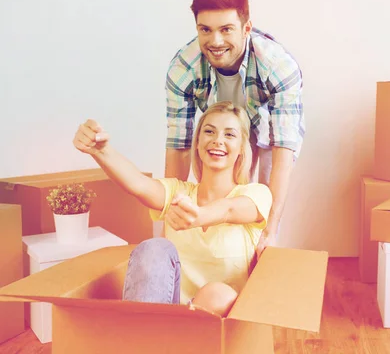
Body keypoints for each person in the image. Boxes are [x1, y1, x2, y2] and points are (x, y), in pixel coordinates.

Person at [73, 101, 273, 316]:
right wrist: (101, 151)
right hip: (166, 321)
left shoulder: (256, 194)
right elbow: (139, 184)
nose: (217, 140)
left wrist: (200, 216)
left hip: (222, 330)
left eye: (229, 135)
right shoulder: (179, 192)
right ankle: (144, 338)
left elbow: (230, 209)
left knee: (217, 294)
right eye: (209, 131)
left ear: (242, 149)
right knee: (154, 247)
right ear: (197, 143)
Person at [163, 0, 304, 257]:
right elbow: (178, 147)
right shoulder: (183, 68)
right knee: (214, 194)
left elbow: (282, 156)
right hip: (220, 124)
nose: (215, 41)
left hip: (265, 134)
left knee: (259, 208)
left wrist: (270, 230)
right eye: (206, 30)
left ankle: (256, 269)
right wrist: (171, 220)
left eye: (226, 29)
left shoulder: (278, 66)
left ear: (246, 28)